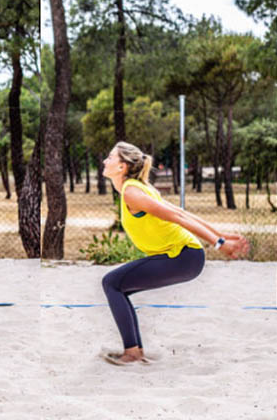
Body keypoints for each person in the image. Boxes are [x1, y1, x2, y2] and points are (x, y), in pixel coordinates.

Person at [99, 142, 249, 365]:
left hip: (182, 257)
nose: (104, 161)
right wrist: (221, 235)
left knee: (111, 283)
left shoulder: (132, 192)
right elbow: (180, 212)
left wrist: (218, 242)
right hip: (185, 257)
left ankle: (132, 352)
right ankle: (134, 350)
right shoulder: (136, 188)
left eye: (110, 157)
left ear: (122, 166)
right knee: (117, 287)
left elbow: (177, 217)